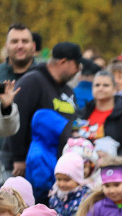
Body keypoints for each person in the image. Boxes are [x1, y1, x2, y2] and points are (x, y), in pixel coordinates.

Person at [9, 42, 82, 178]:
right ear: (63, 62)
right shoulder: (32, 81)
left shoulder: (68, 90)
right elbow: (17, 119)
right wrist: (18, 157)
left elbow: (73, 122)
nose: (78, 70)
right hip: (30, 165)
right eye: (77, 65)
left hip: (57, 166)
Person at [78, 71, 122, 176]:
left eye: (106, 85)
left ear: (115, 89)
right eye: (97, 85)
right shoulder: (84, 113)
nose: (100, 88)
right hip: (84, 175)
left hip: (115, 175)